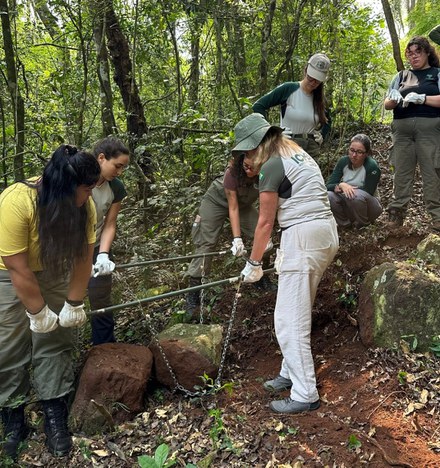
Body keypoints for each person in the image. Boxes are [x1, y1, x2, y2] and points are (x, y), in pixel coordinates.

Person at [0, 145, 100, 459]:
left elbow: (84, 257)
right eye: (87, 189)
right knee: (9, 343)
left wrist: (74, 303)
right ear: (66, 187)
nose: (90, 195)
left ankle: (53, 408)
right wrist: (37, 311)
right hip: (8, 275)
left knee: (56, 340)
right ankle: (12, 413)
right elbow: (17, 265)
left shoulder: (85, 207)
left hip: (55, 270)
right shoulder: (17, 202)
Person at [235, 113, 339, 414]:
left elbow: (265, 222)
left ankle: (305, 392)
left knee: (287, 321)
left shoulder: (271, 165)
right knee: (296, 309)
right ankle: (288, 373)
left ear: (261, 144)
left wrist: (254, 262)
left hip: (304, 239)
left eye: (249, 151)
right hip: (323, 234)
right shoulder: (296, 152)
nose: (247, 158)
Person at [185, 152, 274, 316]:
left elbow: (266, 204)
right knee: (206, 244)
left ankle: (260, 277)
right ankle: (193, 296)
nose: (248, 170)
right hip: (216, 201)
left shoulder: (267, 174)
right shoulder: (232, 172)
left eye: (253, 168)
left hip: (244, 205)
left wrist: (265, 232)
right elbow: (232, 208)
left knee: (263, 236)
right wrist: (237, 239)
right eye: (246, 166)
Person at [384, 35, 440, 231]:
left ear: (427, 53)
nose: (414, 56)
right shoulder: (400, 76)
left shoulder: (437, 74)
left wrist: (423, 98)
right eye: (410, 53)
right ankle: (396, 215)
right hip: (402, 131)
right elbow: (387, 104)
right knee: (401, 172)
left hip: (429, 131)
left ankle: (437, 217)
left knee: (432, 172)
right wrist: (394, 97)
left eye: (418, 52)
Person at [88, 137, 129, 346]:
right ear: (101, 158)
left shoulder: (115, 187)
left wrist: (103, 254)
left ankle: (103, 348)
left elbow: (110, 223)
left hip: (96, 246)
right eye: (117, 166)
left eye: (123, 168)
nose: (119, 172)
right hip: (70, 248)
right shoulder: (77, 179)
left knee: (101, 298)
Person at [252, 53, 331, 159]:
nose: (313, 83)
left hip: (311, 149)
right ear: (305, 70)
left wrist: (322, 135)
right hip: (288, 145)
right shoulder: (288, 89)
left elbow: (328, 121)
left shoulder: (321, 100)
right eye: (310, 78)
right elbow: (259, 106)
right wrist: (271, 134)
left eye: (317, 81)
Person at [326, 134, 382, 228]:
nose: (354, 155)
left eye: (359, 152)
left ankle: (363, 225)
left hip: (370, 205)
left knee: (355, 195)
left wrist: (347, 188)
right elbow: (328, 185)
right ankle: (344, 224)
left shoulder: (372, 166)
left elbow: (368, 191)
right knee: (329, 195)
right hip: (350, 201)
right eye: (352, 150)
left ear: (367, 153)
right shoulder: (343, 162)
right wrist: (341, 185)